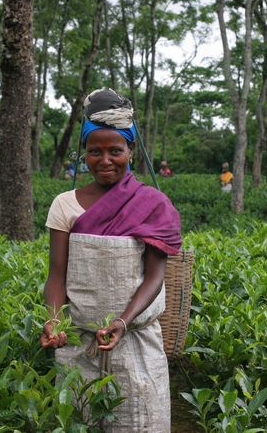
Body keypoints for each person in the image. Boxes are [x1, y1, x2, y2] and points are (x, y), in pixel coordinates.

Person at [41, 88, 181, 432]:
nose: (105, 160)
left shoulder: (152, 203)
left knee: (140, 422)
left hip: (134, 341)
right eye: (95, 152)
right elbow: (57, 276)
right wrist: (54, 321)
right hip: (80, 343)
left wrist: (122, 321)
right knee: (79, 420)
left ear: (130, 151)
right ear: (84, 155)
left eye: (115, 150)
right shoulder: (64, 204)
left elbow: (154, 277)